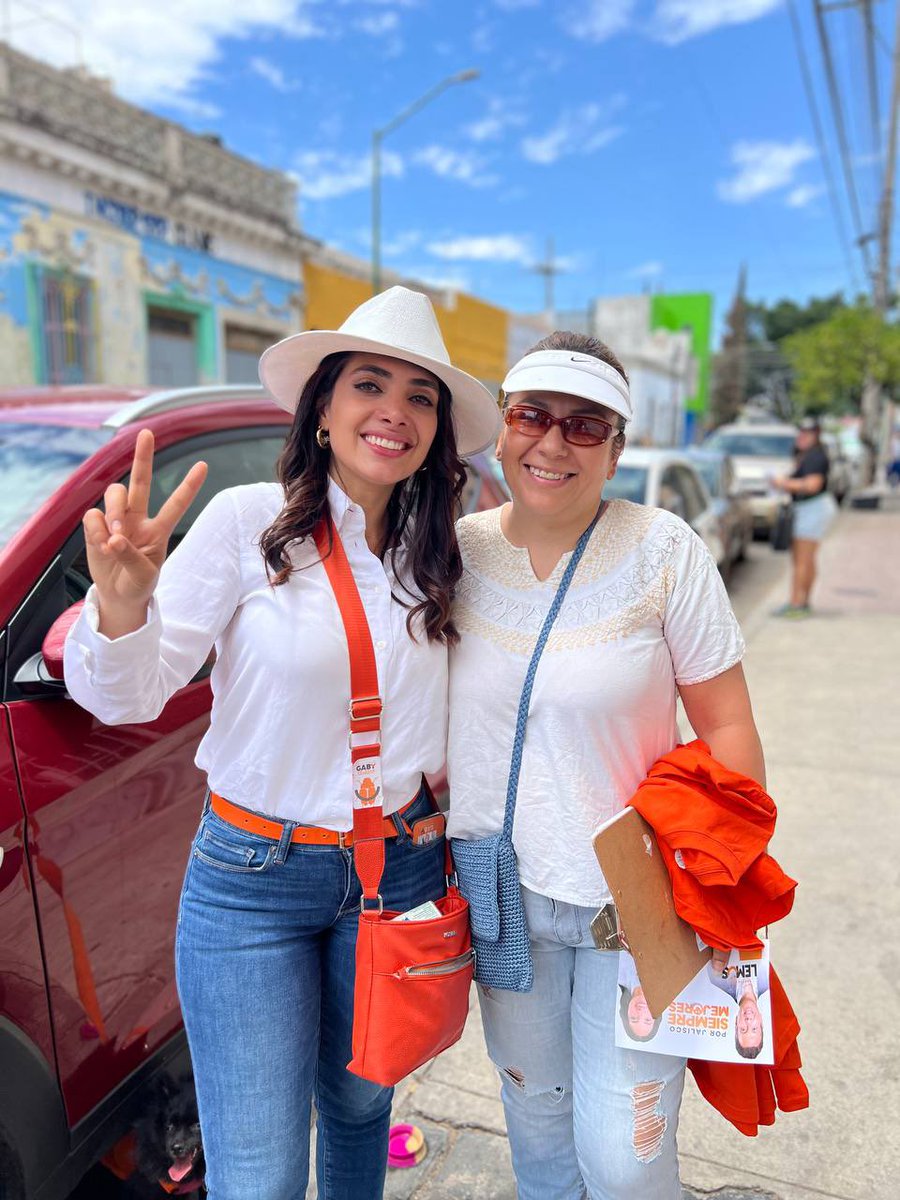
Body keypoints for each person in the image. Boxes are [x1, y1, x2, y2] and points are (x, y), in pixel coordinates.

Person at [62, 286, 500, 1200]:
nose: (395, 412)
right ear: (324, 409)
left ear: (438, 431)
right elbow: (126, 695)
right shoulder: (244, 525)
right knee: (257, 1173)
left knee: (358, 1121)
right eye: (368, 385)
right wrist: (122, 604)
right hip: (251, 884)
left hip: (399, 875)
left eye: (421, 397)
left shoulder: (442, 555)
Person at [447, 331, 765, 1199]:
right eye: (533, 416)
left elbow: (729, 723)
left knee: (626, 1158)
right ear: (504, 428)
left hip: (635, 905)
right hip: (499, 898)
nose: (553, 444)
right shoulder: (458, 553)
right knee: (539, 1132)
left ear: (618, 449)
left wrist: (715, 873)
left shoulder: (664, 552)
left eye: (586, 426)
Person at [772, 416, 837, 618]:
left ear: (815, 436)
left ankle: (796, 604)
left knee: (802, 559)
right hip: (811, 508)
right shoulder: (807, 454)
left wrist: (783, 483)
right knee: (806, 559)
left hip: (812, 508)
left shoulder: (816, 457)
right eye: (800, 433)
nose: (802, 437)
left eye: (807, 434)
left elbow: (812, 485)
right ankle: (803, 601)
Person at [706, 949, 769, 1060]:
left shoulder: (716, 982)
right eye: (754, 1028)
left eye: (743, 1029)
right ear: (761, 1022)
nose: (748, 1021)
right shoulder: (767, 980)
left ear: (736, 1023)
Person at [618, 953, 662, 1043]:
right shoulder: (671, 977)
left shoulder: (617, 972)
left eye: (634, 1018)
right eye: (647, 1020)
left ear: (626, 1012)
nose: (640, 1012)